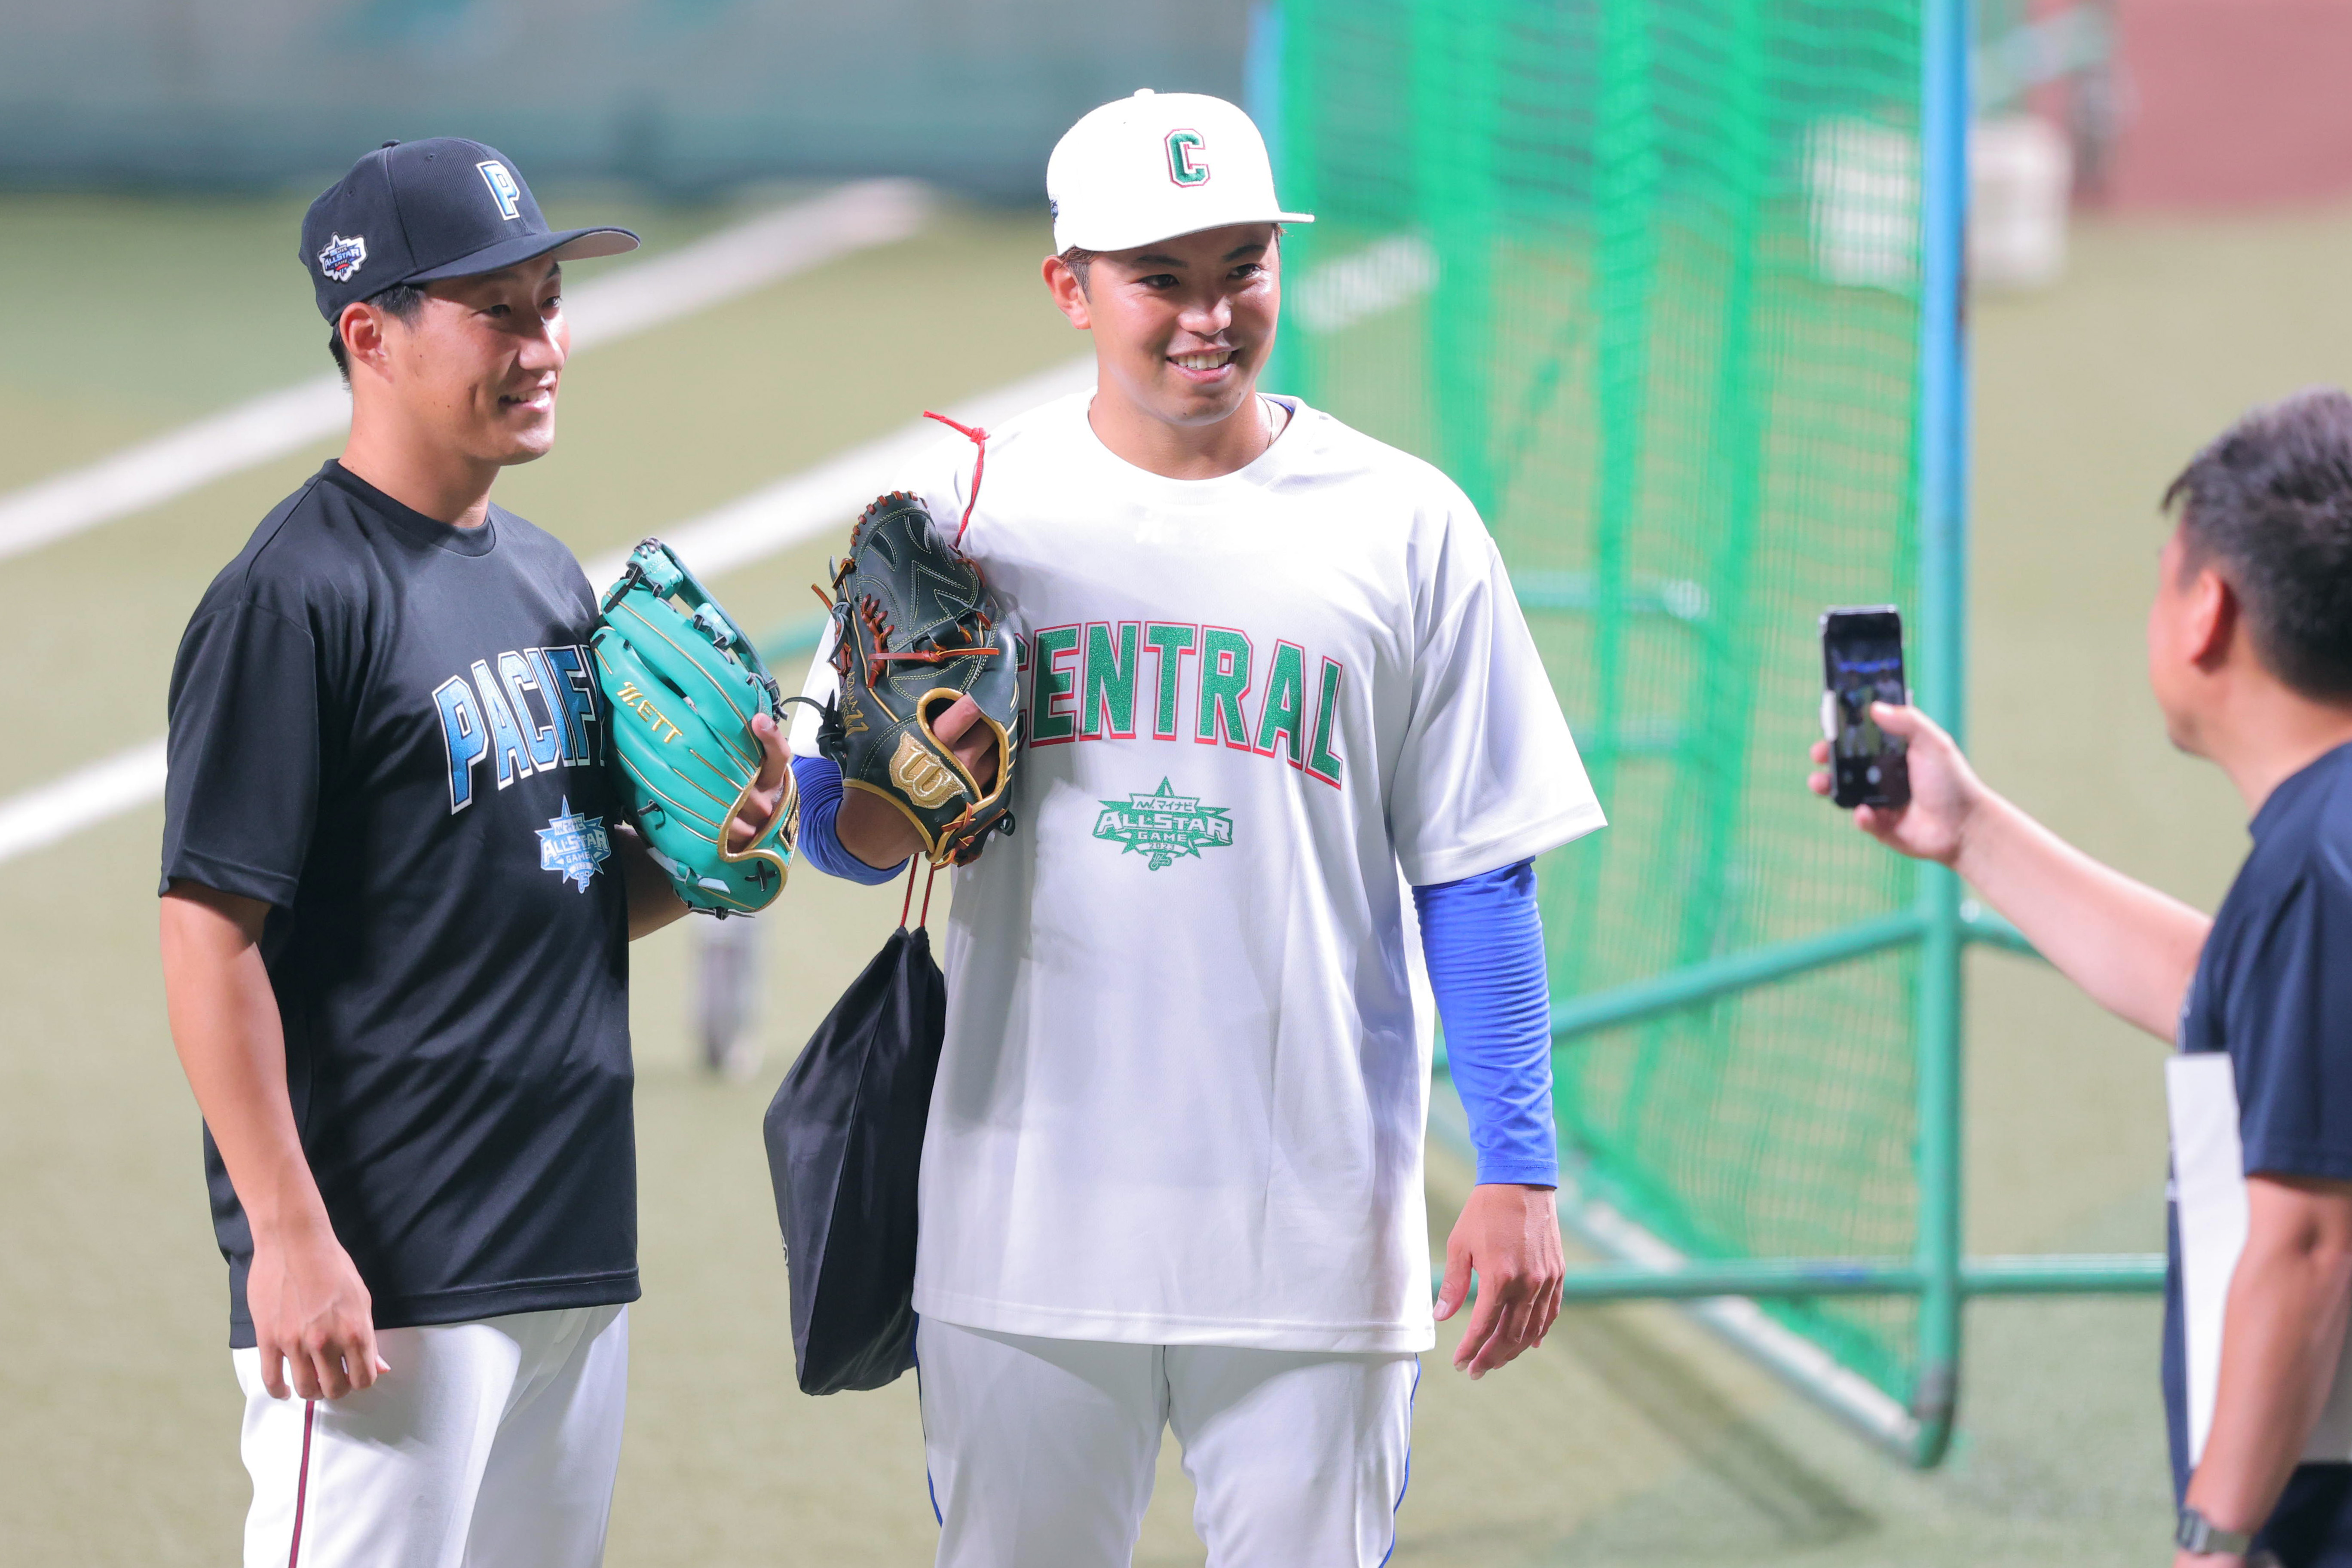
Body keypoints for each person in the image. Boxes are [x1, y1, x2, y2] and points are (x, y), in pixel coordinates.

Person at [787, 90, 1605, 1565]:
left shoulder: (1407, 525)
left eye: (1243, 265)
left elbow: (1479, 867)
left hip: (1314, 1244)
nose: (1208, 314)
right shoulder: (966, 513)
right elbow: (831, 836)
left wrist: (1519, 1164)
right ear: (1071, 287)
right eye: (1160, 276)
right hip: (1020, 1230)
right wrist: (898, 790)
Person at [157, 139, 788, 1568]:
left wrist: (701, 855)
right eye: (497, 310)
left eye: (551, 300)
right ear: (369, 333)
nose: (545, 342)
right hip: (389, 1268)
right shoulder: (293, 598)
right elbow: (209, 931)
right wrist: (289, 1236)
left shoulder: (550, 580)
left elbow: (550, 887)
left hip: (567, 1244)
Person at [1811, 388, 2352, 1568]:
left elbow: (2311, 1243)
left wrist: (2215, 1536)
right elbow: (2243, 1004)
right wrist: (1974, 832)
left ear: (2206, 610)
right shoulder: (2327, 852)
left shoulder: (2319, 867)